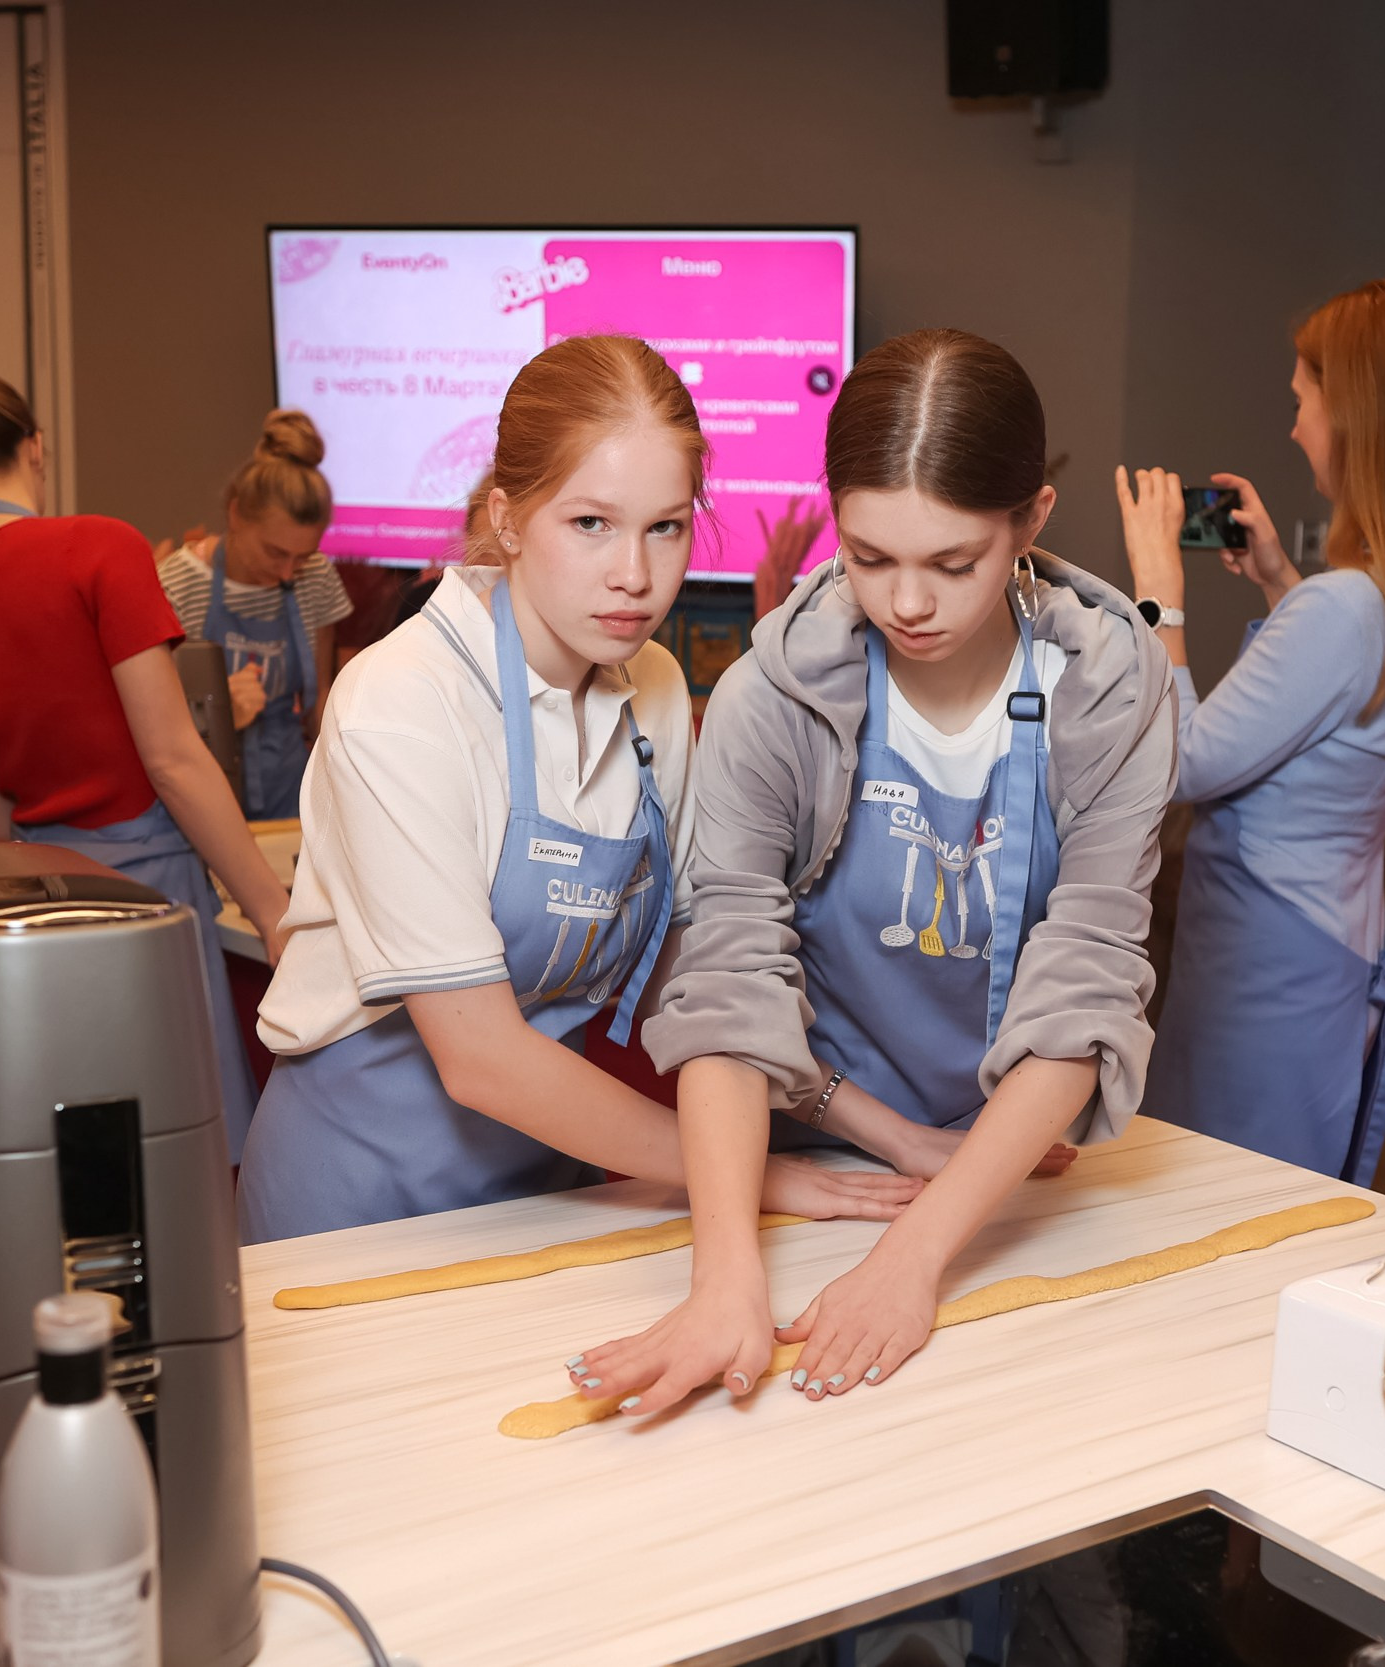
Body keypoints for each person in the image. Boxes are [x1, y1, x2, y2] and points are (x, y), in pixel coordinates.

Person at [574, 328, 1177, 1417]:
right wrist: (727, 1276)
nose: (907, 603)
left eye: (953, 563)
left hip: (1018, 1168)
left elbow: (1085, 983)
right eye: (867, 556)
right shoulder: (773, 699)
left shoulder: (1112, 698)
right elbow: (727, 983)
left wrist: (919, 1257)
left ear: (1030, 521)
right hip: (799, 1154)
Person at [237, 334, 920, 1243]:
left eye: (665, 526)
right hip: (360, 1198)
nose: (634, 576)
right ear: (509, 518)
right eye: (590, 523)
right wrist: (751, 1170)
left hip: (554, 1182)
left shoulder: (658, 691)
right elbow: (480, 1055)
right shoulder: (402, 701)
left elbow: (703, 973)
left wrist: (882, 1129)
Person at [1119, 278, 1385, 1184]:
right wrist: (1281, 582)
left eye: (1304, 401)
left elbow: (1186, 761)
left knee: (1216, 1210)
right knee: (1286, 1200)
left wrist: (1154, 591)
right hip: (1333, 952)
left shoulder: (1347, 610)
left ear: (1361, 419)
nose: (1295, 427)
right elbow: (1348, 706)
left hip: (1263, 969)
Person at [0, 345, 290, 1161]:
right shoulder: (101, 549)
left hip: (47, 910)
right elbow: (173, 760)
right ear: (35, 445)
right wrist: (276, 914)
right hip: (155, 912)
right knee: (184, 1159)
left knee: (91, 1161)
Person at [155, 410, 355, 819]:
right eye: (275, 552)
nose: (286, 573)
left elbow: (320, 707)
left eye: (302, 557)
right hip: (202, 798)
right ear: (235, 515)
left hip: (289, 789)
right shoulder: (176, 584)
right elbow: (156, 726)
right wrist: (219, 712)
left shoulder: (315, 579)